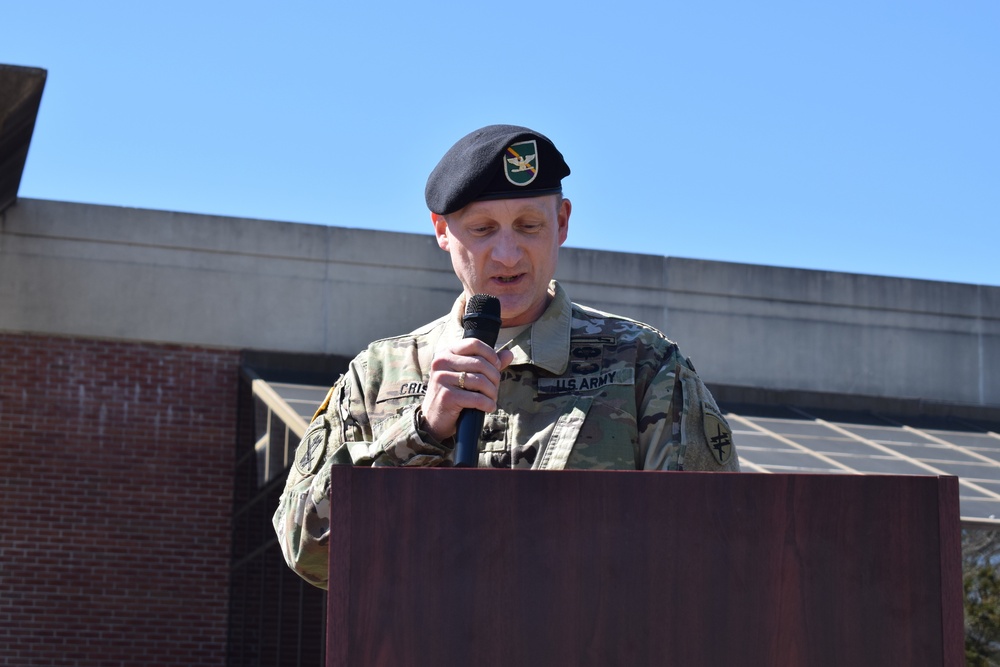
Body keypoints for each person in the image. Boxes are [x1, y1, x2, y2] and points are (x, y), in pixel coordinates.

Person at [273, 124, 740, 587]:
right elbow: (307, 553)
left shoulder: (644, 365)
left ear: (561, 223)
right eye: (482, 229)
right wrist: (422, 431)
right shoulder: (377, 374)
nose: (508, 253)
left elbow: (709, 549)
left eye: (529, 226)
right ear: (442, 231)